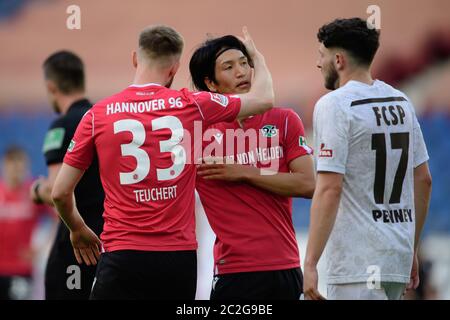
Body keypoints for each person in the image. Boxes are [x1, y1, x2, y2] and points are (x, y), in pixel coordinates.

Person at [51, 25, 275, 300]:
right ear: (174, 68)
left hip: (122, 255)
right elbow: (264, 99)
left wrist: (78, 229)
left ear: (135, 58)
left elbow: (60, 193)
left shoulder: (98, 115)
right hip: (177, 260)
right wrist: (256, 57)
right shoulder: (192, 104)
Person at [303, 18, 432, 300]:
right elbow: (423, 179)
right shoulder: (400, 101)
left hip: (357, 266)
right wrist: (411, 248)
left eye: (321, 56)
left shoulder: (334, 105)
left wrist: (311, 263)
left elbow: (329, 188)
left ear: (338, 60)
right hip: (395, 259)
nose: (318, 64)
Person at [189, 35, 315, 300]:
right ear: (210, 83)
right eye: (229, 67)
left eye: (245, 63)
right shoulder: (197, 133)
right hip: (234, 272)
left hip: (286, 266)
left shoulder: (284, 120)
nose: (241, 72)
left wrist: (245, 172)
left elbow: (307, 184)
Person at [30, 51, 105, 299]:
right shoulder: (103, 119)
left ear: (51, 86)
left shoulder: (61, 126)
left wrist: (37, 191)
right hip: (110, 246)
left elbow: (56, 192)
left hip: (75, 248)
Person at [0, 146, 48, 300]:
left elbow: (59, 218)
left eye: (20, 164)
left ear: (26, 166)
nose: (16, 169)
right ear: (4, 165)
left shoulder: (33, 193)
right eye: (12, 164)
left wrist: (40, 248)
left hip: (21, 269)